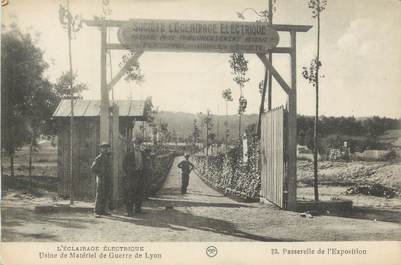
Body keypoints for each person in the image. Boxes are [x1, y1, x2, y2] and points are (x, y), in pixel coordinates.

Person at [123, 137, 146, 216]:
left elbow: (145, 164)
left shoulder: (143, 154)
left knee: (139, 193)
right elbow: (125, 166)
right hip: (132, 176)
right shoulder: (129, 154)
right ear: (133, 145)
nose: (137, 145)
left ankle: (138, 209)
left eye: (138, 144)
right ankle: (129, 211)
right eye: (135, 144)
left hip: (140, 175)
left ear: (140, 145)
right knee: (131, 193)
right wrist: (131, 171)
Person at [91, 142, 112, 218]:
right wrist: (99, 174)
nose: (105, 149)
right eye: (103, 148)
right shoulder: (99, 158)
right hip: (101, 179)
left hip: (107, 178)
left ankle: (103, 210)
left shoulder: (108, 158)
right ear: (101, 149)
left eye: (106, 148)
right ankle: (96, 211)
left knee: (106, 194)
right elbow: (93, 168)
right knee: (99, 194)